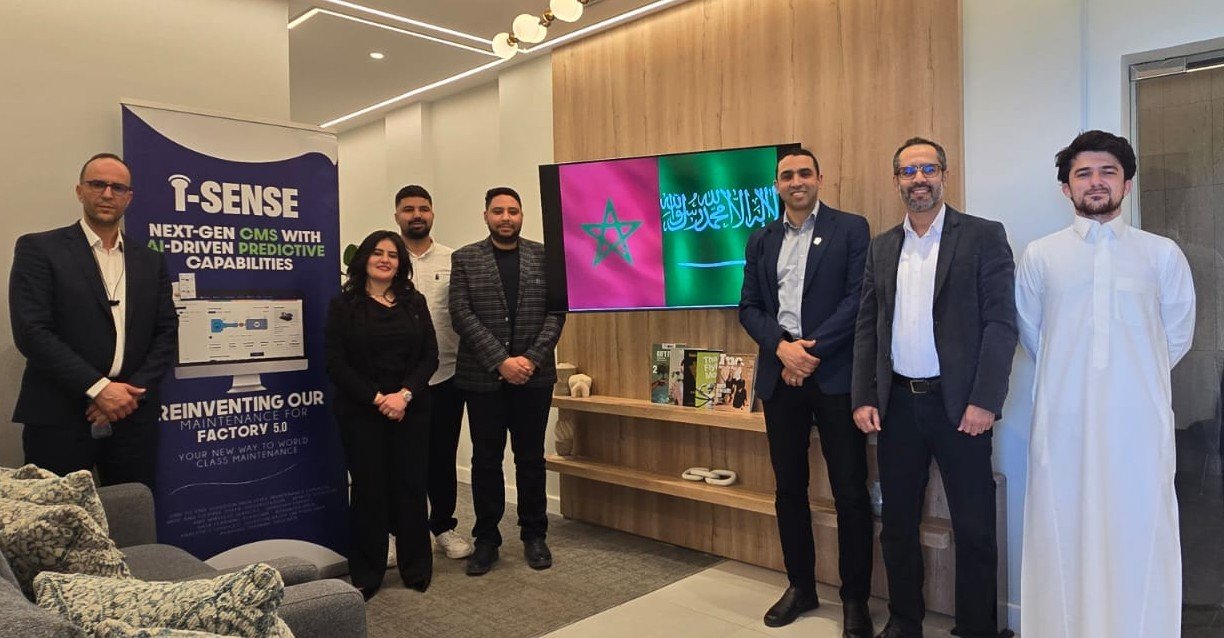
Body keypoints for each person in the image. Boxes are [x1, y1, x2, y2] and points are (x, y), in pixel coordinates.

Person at [1015, 131, 1194, 638]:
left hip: (1139, 428)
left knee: (1140, 532)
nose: (1096, 182)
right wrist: (1079, 379)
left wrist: (1128, 381)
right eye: (1084, 174)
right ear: (1066, 188)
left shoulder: (1161, 255)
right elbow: (1033, 334)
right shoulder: (1041, 256)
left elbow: (1175, 337)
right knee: (1062, 531)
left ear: (1127, 184)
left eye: (1108, 172)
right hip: (1063, 426)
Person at [851, 138, 1016, 638]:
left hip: (961, 406)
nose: (918, 179)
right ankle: (905, 620)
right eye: (908, 171)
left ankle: (977, 628)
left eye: (927, 169)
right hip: (898, 405)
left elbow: (1001, 323)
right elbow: (868, 326)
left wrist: (985, 400)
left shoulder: (983, 236)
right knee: (897, 523)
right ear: (896, 180)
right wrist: (864, 395)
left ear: (944, 174)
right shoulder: (882, 247)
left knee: (975, 527)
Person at [738, 147, 874, 635]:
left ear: (819, 178)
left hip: (834, 375)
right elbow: (749, 307)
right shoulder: (761, 238)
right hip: (781, 378)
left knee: (850, 491)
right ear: (777, 185)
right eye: (786, 175)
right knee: (789, 489)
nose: (796, 181)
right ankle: (801, 586)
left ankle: (855, 599)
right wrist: (782, 349)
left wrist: (808, 352)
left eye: (804, 173)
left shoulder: (851, 228)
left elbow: (858, 299)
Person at [9, 153, 177, 488]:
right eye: (98, 184)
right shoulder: (39, 249)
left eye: (118, 187)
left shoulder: (150, 260)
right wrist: (100, 389)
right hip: (60, 416)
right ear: (80, 191)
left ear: (129, 197)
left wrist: (128, 396)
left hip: (132, 415)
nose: (107, 194)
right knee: (58, 516)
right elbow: (32, 332)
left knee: (132, 512)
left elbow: (166, 332)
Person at [449, 186, 565, 576]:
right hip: (483, 377)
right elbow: (461, 313)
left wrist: (529, 359)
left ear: (521, 216)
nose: (505, 218)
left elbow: (556, 313)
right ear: (486, 215)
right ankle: (487, 539)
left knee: (530, 458)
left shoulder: (545, 257)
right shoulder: (465, 258)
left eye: (513, 211)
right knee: (486, 460)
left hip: (534, 375)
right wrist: (500, 361)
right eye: (498, 211)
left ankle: (534, 534)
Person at [325, 230, 438, 600]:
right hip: (362, 412)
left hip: (410, 409)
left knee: (411, 487)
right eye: (378, 252)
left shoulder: (414, 302)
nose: (385, 259)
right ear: (364, 258)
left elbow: (430, 357)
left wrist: (403, 396)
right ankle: (367, 572)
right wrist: (378, 399)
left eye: (392, 254)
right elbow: (336, 363)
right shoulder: (344, 305)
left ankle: (416, 568)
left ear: (400, 263)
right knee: (369, 490)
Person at [394, 184, 475, 560]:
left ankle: (443, 526)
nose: (416, 215)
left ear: (432, 214)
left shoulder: (452, 260)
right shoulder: (387, 259)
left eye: (423, 208)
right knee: (398, 459)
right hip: (397, 381)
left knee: (441, 457)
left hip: (446, 375)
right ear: (397, 215)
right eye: (408, 209)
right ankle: (396, 531)